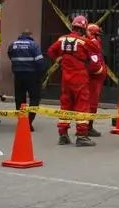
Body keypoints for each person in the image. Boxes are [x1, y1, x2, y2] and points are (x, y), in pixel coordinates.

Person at [46, 15, 101, 147]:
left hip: (66, 78)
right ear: (83, 28)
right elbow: (96, 49)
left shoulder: (62, 39)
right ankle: (81, 136)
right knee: (82, 106)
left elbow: (50, 51)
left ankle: (63, 135)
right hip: (80, 78)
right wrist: (91, 36)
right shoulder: (83, 41)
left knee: (65, 105)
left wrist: (60, 59)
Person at [7, 29, 45, 132]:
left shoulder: (13, 45)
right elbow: (40, 62)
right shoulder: (33, 45)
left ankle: (22, 121)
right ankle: (29, 122)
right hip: (32, 76)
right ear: (30, 35)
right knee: (34, 99)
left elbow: (10, 56)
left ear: (21, 35)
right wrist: (41, 74)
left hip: (18, 75)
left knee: (20, 99)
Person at [85, 23, 107, 138]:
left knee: (88, 103)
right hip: (93, 79)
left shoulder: (91, 42)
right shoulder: (92, 44)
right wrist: (101, 71)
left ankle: (85, 127)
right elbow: (94, 64)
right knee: (91, 103)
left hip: (93, 78)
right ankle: (87, 128)